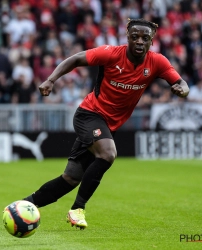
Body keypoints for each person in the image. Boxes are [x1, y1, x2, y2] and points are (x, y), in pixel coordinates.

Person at [23, 18, 190, 230]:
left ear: (151, 41)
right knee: (108, 154)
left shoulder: (157, 62)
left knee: (71, 178)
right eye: (135, 37)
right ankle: (77, 209)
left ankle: (23, 204)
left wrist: (183, 90)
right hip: (89, 114)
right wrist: (51, 80)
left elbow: (180, 83)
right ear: (127, 37)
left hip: (107, 125)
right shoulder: (111, 54)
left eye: (145, 38)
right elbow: (75, 59)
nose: (139, 41)